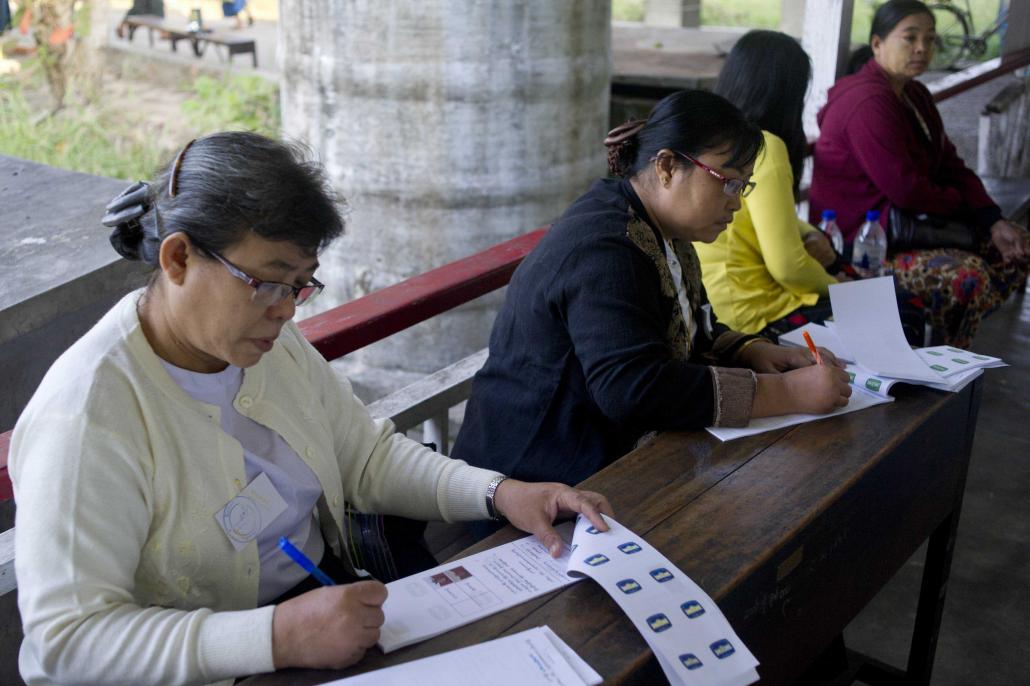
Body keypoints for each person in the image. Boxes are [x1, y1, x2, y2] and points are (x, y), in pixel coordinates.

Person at [9, 132, 612, 686]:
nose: (288, 311)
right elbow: (69, 640)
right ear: (178, 259)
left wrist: (500, 493)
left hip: (325, 612)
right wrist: (275, 637)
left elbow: (364, 457)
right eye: (269, 281)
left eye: (301, 284)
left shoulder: (267, 343)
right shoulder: (88, 416)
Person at [450, 90, 852, 492]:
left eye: (742, 187)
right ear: (666, 166)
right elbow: (633, 390)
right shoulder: (605, 247)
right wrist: (786, 392)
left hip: (596, 460)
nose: (736, 205)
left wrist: (751, 350)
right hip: (530, 478)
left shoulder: (663, 230)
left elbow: (693, 327)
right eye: (728, 184)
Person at [809, 0, 1029, 348]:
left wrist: (991, 218)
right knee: (968, 277)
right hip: (862, 241)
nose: (922, 48)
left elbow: (950, 164)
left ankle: (947, 346)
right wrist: (967, 211)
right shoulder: (866, 103)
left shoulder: (913, 93)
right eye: (910, 38)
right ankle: (941, 358)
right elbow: (907, 191)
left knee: (1016, 243)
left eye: (930, 39)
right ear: (877, 44)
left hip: (910, 224)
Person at [697, 30, 926, 344]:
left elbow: (758, 218)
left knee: (859, 278)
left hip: (719, 308)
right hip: (759, 317)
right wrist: (838, 284)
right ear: (788, 93)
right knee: (905, 307)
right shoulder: (765, 146)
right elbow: (788, 267)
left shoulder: (708, 139)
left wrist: (807, 232)